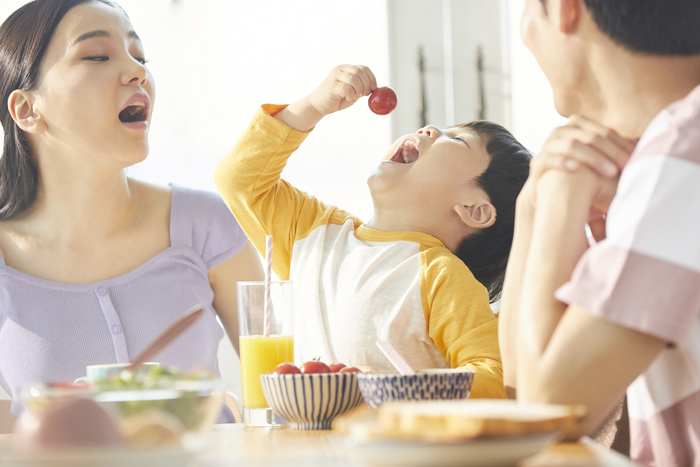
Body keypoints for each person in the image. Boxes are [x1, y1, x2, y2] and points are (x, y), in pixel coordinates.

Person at [0, 0, 263, 424]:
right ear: (27, 110)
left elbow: (281, 393)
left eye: (139, 56)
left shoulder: (205, 225)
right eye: (97, 56)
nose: (137, 71)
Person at [214, 65, 531, 399]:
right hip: (304, 447)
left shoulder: (441, 276)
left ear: (474, 209)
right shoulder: (316, 233)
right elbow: (238, 180)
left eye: (457, 140)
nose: (430, 128)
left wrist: (401, 391)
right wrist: (311, 107)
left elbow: (495, 377)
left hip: (384, 449)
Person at [499, 0, 700, 464]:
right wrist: (533, 203)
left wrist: (561, 191)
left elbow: (546, 413)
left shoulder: (684, 148)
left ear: (565, 10)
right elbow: (519, 386)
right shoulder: (665, 153)